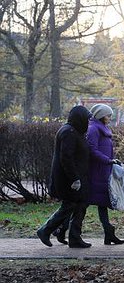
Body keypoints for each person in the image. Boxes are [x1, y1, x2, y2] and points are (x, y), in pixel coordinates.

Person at [37, 106, 92, 248]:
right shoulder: (68, 132)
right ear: (79, 119)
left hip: (77, 177)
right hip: (69, 179)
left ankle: (74, 237)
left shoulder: (74, 131)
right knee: (69, 206)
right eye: (86, 119)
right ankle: (46, 230)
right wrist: (74, 178)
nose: (88, 122)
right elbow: (66, 157)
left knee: (81, 204)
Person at [86, 103, 124, 245]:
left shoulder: (103, 129)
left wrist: (111, 162)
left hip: (103, 171)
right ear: (101, 116)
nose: (110, 118)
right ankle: (60, 228)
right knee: (82, 205)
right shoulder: (94, 129)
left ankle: (109, 234)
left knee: (101, 203)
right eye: (108, 115)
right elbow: (92, 150)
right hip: (96, 172)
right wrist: (108, 161)